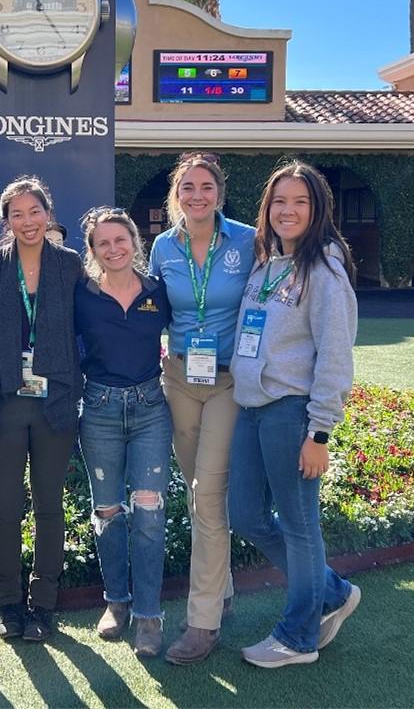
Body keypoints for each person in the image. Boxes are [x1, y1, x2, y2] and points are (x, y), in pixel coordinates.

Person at [228, 159, 360, 668]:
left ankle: (298, 637)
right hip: (250, 410)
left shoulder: (323, 270)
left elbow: (335, 354)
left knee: (300, 525)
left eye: (300, 201)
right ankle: (331, 591)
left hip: (290, 413)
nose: (288, 210)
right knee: (246, 516)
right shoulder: (266, 264)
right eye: (279, 201)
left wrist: (319, 432)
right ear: (267, 210)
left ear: (317, 209)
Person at [148, 151, 255, 665]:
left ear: (219, 192)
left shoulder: (248, 240)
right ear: (177, 194)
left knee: (208, 494)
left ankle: (202, 622)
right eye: (187, 187)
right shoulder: (163, 247)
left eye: (206, 186)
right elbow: (153, 310)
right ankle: (225, 586)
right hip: (180, 378)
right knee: (198, 494)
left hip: (231, 380)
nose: (197, 195)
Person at [0, 176, 83, 643]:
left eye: (34, 211)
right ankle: (9, 604)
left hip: (55, 401)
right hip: (4, 400)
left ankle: (44, 603)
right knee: (5, 506)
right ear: (6, 221)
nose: (26, 221)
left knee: (49, 505)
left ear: (48, 213)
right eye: (16, 214)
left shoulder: (70, 265)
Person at [75, 208, 173, 658]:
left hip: (152, 408)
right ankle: (117, 602)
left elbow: (188, 332)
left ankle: (149, 615)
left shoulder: (158, 290)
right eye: (103, 243)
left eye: (121, 239)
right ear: (92, 251)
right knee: (109, 512)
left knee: (150, 513)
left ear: (135, 241)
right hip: (99, 409)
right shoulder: (83, 294)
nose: (114, 249)